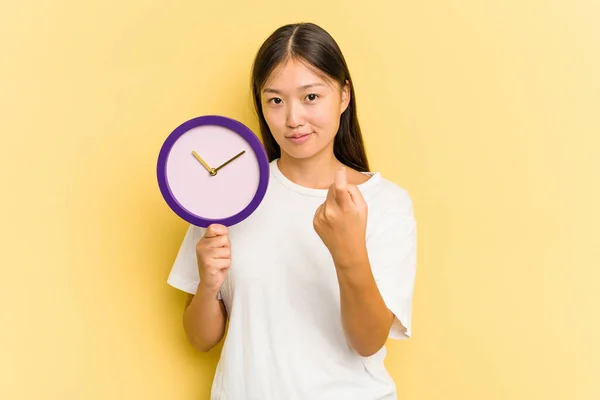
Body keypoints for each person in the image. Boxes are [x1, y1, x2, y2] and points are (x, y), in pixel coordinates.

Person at [167, 22, 418, 400]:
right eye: (276, 100)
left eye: (311, 97)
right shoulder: (228, 195)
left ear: (344, 95)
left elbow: (368, 342)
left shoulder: (386, 203)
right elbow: (200, 338)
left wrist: (348, 251)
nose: (293, 119)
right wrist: (207, 284)